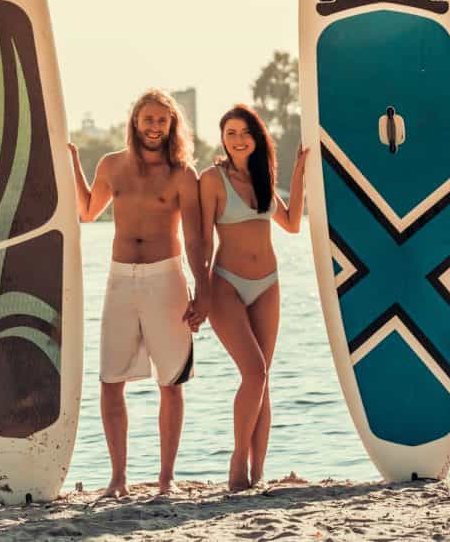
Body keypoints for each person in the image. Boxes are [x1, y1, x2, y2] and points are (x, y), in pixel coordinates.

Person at [68, 89, 210, 496]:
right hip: (120, 279)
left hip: (166, 278)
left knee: (171, 381)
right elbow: (88, 211)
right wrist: (74, 163)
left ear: (171, 126)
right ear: (134, 122)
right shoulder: (112, 165)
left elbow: (197, 238)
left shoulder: (183, 174)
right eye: (148, 119)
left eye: (162, 121)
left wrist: (203, 292)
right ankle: (118, 479)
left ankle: (166, 478)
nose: (154, 127)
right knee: (111, 379)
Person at [199, 104, 307, 491]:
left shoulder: (263, 179)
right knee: (254, 373)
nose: (238, 139)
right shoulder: (212, 179)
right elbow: (200, 239)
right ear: (223, 138)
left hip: (268, 285)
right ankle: (237, 462)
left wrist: (298, 173)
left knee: (264, 379)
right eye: (230, 133)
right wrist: (200, 292)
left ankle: (257, 472)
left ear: (256, 137)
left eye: (245, 132)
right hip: (226, 284)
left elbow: (292, 223)